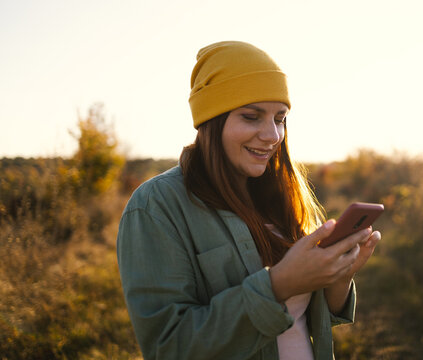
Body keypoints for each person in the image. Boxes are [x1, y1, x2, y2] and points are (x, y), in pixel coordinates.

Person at [117, 41, 382, 360]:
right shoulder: (156, 205)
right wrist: (278, 285)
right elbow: (168, 347)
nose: (272, 135)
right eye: (251, 116)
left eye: (280, 118)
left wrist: (338, 278)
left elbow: (305, 319)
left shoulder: (279, 194)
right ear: (211, 121)